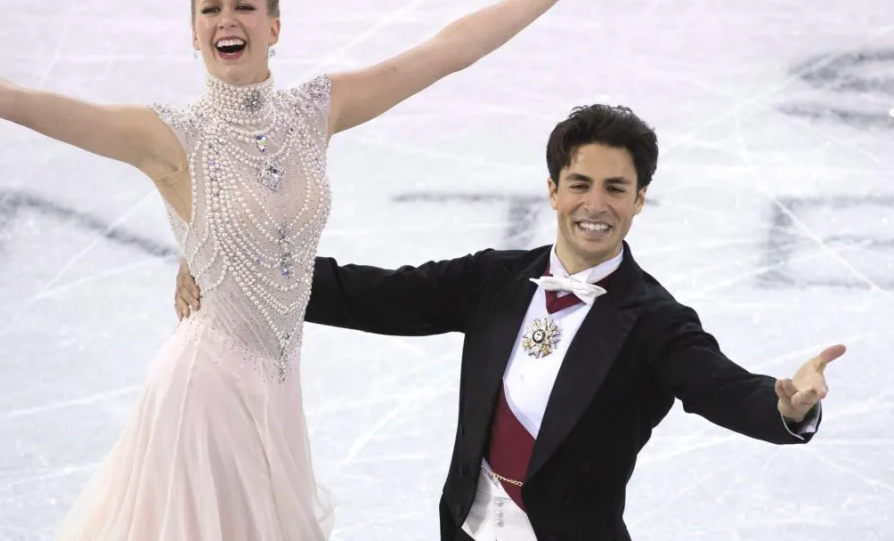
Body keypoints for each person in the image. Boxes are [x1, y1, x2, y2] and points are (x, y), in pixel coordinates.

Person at [0, 0, 642, 537]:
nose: (228, 18)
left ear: (274, 26)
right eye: (211, 7)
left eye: (245, 5)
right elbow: (17, 100)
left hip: (278, 390)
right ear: (194, 32)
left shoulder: (315, 112)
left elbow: (443, 53)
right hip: (206, 390)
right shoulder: (167, 137)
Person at [175, 103, 845, 541]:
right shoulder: (493, 280)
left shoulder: (655, 323)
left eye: (616, 188)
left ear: (641, 200)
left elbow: (720, 387)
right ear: (553, 189)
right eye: (580, 183)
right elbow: (374, 295)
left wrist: (785, 406)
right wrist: (240, 268)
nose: (595, 204)